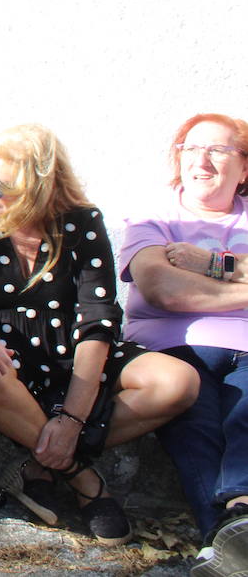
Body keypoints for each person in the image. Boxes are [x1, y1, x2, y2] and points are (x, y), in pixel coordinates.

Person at [0, 123, 198, 545]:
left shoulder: (81, 222)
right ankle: (83, 479)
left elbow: (97, 320)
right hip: (4, 360)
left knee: (179, 382)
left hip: (74, 352)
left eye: (0, 184)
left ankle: (42, 465)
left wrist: (72, 420)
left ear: (38, 186)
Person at [119, 113, 248, 575]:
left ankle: (227, 533)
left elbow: (187, 283)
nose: (202, 160)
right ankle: (230, 531)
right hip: (176, 346)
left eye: (218, 150)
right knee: (198, 425)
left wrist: (209, 262)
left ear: (244, 168)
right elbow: (165, 291)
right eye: (191, 149)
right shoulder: (155, 212)